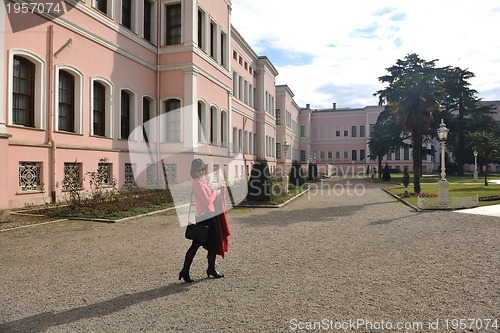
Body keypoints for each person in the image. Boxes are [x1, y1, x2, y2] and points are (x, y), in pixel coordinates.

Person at [179, 158, 224, 283]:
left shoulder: (200, 181)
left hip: (207, 214)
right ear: (194, 170)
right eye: (199, 169)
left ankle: (187, 270)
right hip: (206, 216)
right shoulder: (197, 183)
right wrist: (216, 192)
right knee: (208, 243)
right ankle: (209, 269)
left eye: (203, 169)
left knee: (200, 244)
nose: (202, 171)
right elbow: (207, 201)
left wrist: (214, 192)